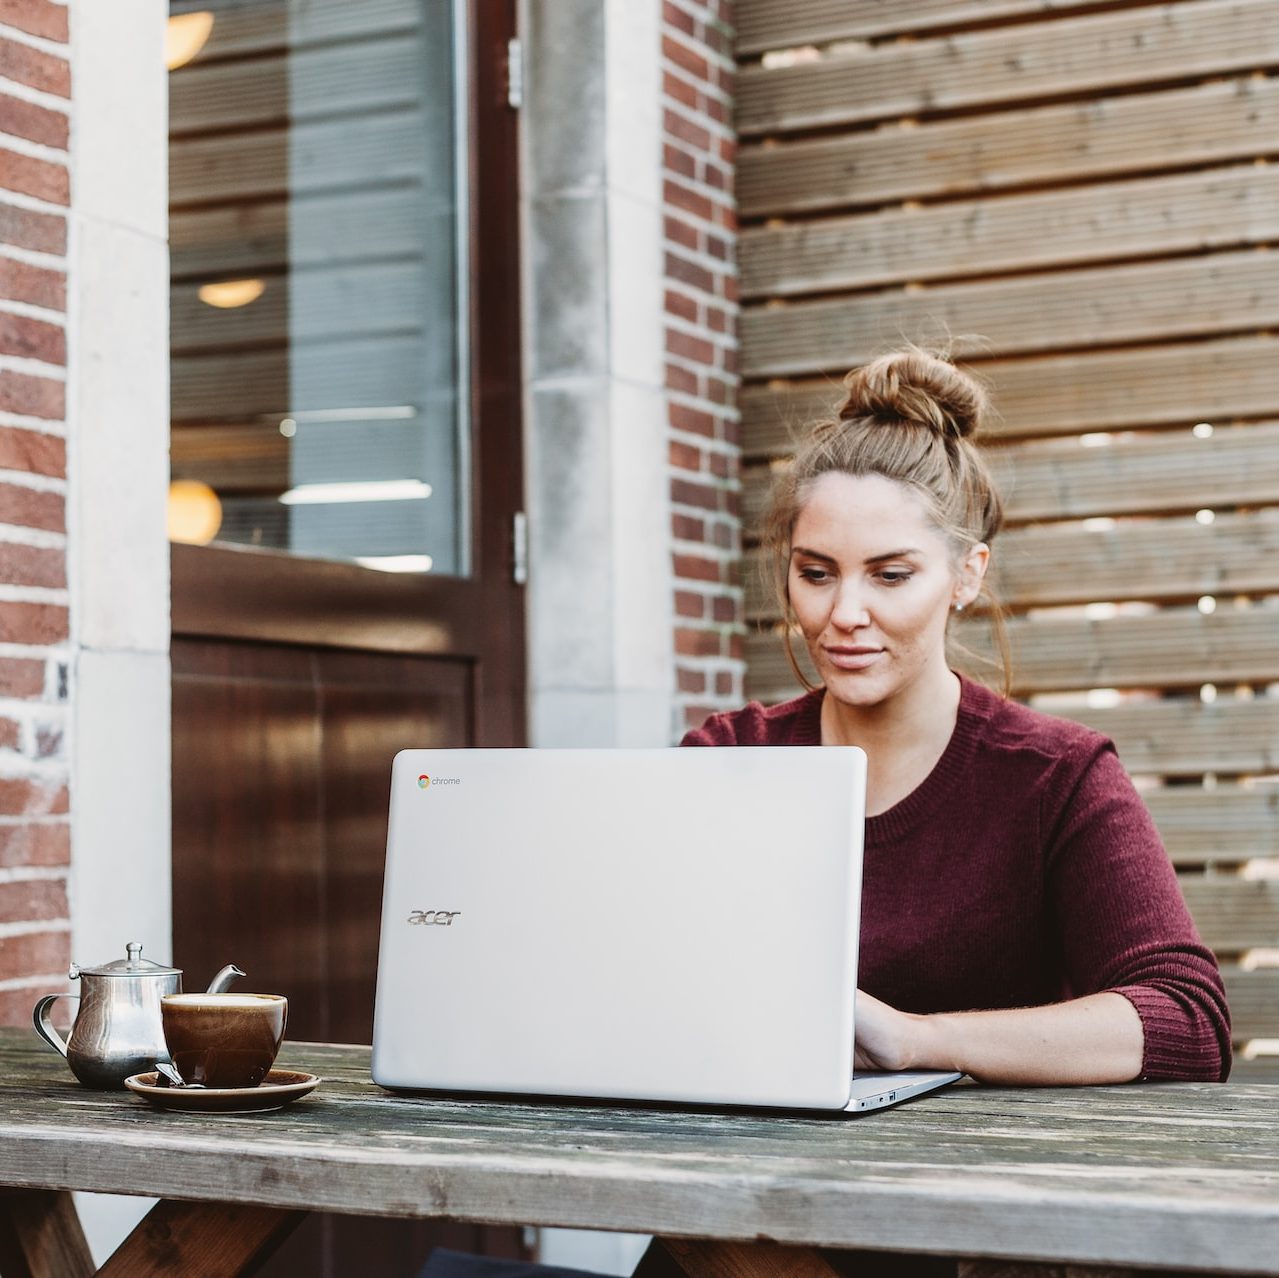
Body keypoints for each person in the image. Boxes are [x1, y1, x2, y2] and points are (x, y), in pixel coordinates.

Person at [682, 348, 1231, 1086]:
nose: (843, 614)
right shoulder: (725, 756)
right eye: (815, 574)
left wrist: (915, 1040)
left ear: (965, 576)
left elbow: (1186, 1021)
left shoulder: (1055, 777)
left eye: (890, 575)